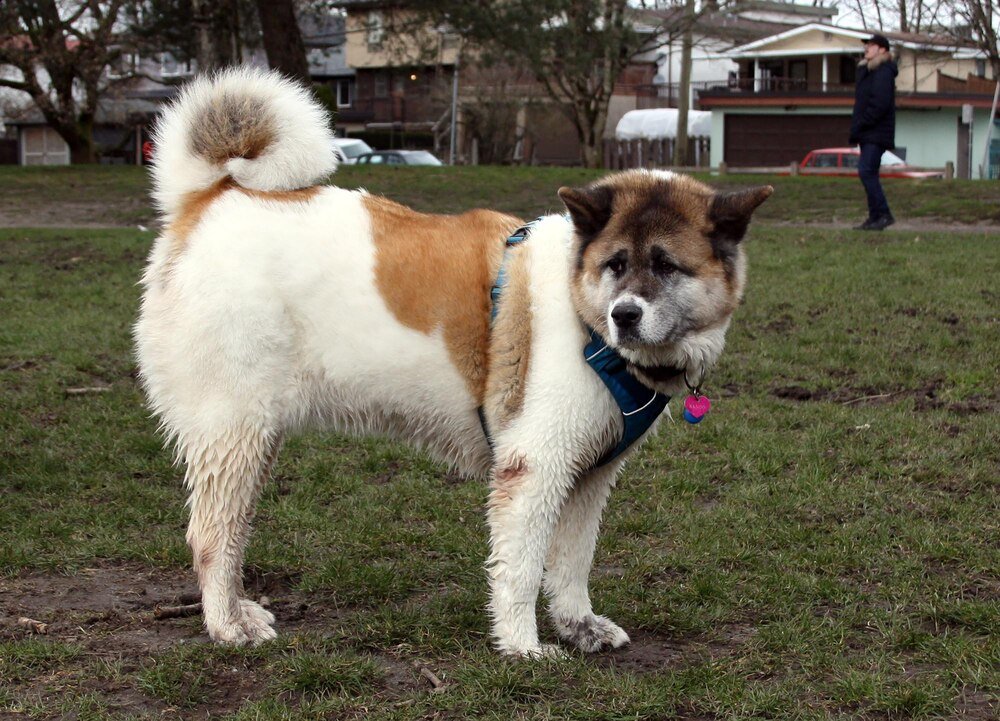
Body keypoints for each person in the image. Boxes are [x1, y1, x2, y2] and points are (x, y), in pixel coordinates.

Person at [849, 33, 898, 231]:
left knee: (866, 171)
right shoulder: (869, 71)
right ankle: (875, 217)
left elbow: (880, 103)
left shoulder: (883, 72)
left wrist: (863, 123)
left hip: (875, 132)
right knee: (869, 173)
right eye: (866, 45)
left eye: (871, 45)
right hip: (869, 132)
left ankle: (884, 214)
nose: (866, 48)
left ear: (882, 49)